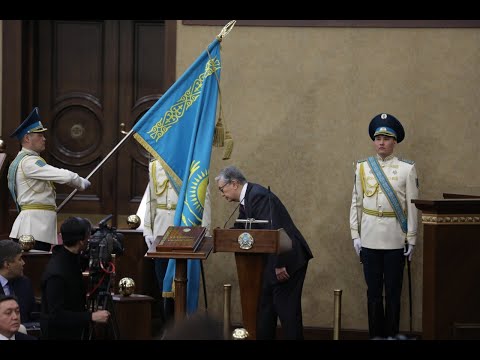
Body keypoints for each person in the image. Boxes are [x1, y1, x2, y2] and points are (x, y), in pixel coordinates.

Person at [215, 165, 313, 340]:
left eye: (222, 189)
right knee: (265, 313)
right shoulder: (248, 199)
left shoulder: (258, 196)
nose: (222, 194)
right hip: (270, 263)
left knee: (288, 314)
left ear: (234, 183)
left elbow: (275, 231)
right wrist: (219, 237)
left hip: (287, 260)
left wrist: (280, 264)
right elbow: (241, 227)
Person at [349, 113, 419, 339]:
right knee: (373, 294)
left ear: (394, 142)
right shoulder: (362, 167)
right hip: (369, 238)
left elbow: (412, 206)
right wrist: (355, 235)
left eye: (386, 138)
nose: (381, 142)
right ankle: (375, 335)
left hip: (395, 239)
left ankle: (391, 335)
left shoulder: (407, 169)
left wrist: (412, 238)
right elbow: (356, 202)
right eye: (378, 137)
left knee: (394, 294)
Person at [8, 107, 91, 251]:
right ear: (27, 138)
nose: (44, 138)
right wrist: (80, 182)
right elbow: (63, 175)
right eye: (39, 135)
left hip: (36, 225)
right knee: (35, 268)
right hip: (33, 228)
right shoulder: (29, 162)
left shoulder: (25, 160)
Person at [40, 216, 110, 340]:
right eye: (89, 236)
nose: (90, 239)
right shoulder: (57, 274)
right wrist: (91, 316)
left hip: (75, 330)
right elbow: (56, 315)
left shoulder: (69, 256)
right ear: (81, 241)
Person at [143, 159, 178, 323]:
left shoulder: (191, 162)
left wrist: (203, 232)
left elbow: (203, 200)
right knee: (162, 282)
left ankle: (182, 327)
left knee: (181, 285)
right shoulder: (155, 166)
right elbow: (151, 200)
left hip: (183, 230)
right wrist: (147, 230)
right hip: (160, 231)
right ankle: (167, 327)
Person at [0, 240, 36, 324]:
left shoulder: (25, 283)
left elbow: (33, 316)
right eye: (19, 259)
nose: (23, 263)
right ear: (7, 264)